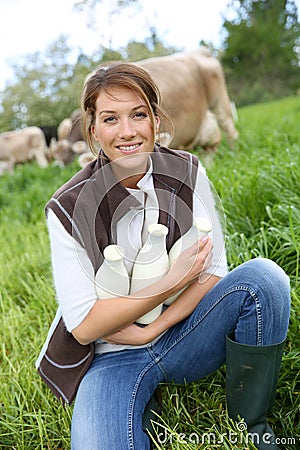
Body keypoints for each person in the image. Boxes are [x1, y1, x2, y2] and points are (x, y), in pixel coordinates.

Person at [36, 62, 290, 450]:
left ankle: (251, 422)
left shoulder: (187, 171)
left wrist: (156, 327)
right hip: (110, 358)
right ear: (93, 130)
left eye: (139, 114)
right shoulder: (67, 208)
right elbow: (85, 326)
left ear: (156, 119)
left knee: (265, 279)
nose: (127, 131)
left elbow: (214, 272)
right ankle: (138, 399)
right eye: (110, 119)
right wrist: (170, 283)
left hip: (185, 333)